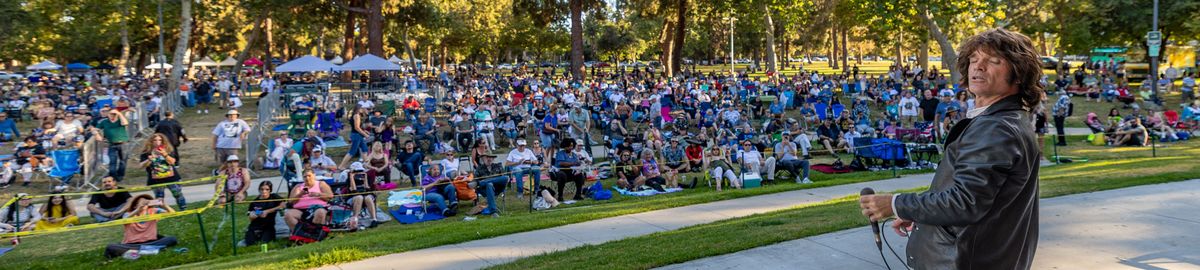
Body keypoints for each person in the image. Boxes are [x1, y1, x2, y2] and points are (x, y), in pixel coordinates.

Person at [860, 28, 1043, 269]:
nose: (978, 67)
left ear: (1018, 74)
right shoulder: (1006, 120)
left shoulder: (996, 128)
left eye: (993, 61)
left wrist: (894, 204)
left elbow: (965, 202)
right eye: (974, 59)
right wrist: (922, 215)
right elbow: (979, 197)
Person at [104, 194, 178, 258]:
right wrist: (138, 210)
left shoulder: (153, 211)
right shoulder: (129, 214)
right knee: (111, 247)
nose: (145, 203)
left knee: (172, 239)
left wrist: (164, 205)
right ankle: (149, 251)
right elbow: (125, 220)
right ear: (135, 205)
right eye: (142, 202)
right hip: (131, 244)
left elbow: (173, 213)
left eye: (146, 201)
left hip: (151, 242)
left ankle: (136, 252)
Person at [139, 133, 187, 209]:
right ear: (151, 141)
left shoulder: (168, 150)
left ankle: (183, 209)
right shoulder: (146, 152)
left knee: (177, 194)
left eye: (160, 140)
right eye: (155, 140)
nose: (157, 142)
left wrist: (165, 155)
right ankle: (160, 212)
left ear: (163, 141)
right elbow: (141, 166)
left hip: (171, 177)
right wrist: (149, 159)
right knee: (159, 198)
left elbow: (172, 162)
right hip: (156, 179)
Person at [93, 108, 129, 182]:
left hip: (123, 144)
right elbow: (95, 129)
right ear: (108, 114)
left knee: (123, 161)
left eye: (114, 114)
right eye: (111, 114)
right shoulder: (104, 122)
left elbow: (125, 123)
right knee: (112, 162)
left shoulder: (120, 120)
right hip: (112, 144)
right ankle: (113, 177)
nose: (112, 115)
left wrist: (119, 114)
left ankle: (120, 175)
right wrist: (97, 134)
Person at [245, 181, 284, 245]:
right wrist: (253, 216)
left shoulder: (274, 197)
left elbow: (283, 205)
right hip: (255, 226)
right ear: (259, 190)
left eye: (267, 189)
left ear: (270, 190)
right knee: (250, 243)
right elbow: (250, 215)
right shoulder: (254, 202)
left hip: (268, 226)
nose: (264, 191)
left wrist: (267, 211)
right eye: (262, 189)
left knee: (265, 242)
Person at [346, 162, 379, 227]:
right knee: (359, 197)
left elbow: (367, 189)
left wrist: (365, 177)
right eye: (357, 171)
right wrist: (352, 177)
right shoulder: (349, 179)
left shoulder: (363, 176)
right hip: (354, 197)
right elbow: (354, 190)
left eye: (360, 171)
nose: (358, 173)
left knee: (368, 198)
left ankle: (374, 219)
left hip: (365, 195)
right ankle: (355, 219)